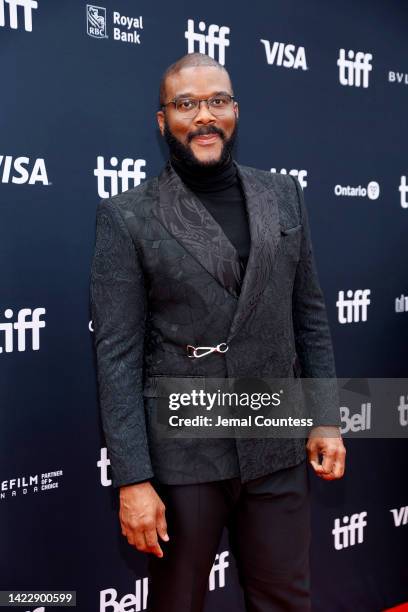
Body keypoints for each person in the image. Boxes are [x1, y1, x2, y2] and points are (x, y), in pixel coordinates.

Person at [90, 52, 346, 612]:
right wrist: (133, 480)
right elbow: (116, 355)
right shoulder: (128, 215)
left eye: (217, 101)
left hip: (274, 433)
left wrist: (326, 415)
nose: (203, 116)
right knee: (178, 601)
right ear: (163, 121)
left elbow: (310, 313)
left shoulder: (282, 194)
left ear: (235, 111)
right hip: (185, 446)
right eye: (186, 104)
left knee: (285, 597)